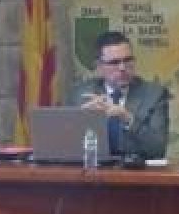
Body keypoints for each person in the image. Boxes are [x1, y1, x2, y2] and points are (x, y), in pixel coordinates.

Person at [71, 31, 169, 159]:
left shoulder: (154, 95)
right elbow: (64, 146)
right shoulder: (81, 94)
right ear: (99, 67)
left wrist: (128, 118)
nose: (122, 68)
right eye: (114, 62)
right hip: (94, 172)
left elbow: (158, 149)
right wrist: (82, 119)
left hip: (136, 174)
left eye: (127, 60)